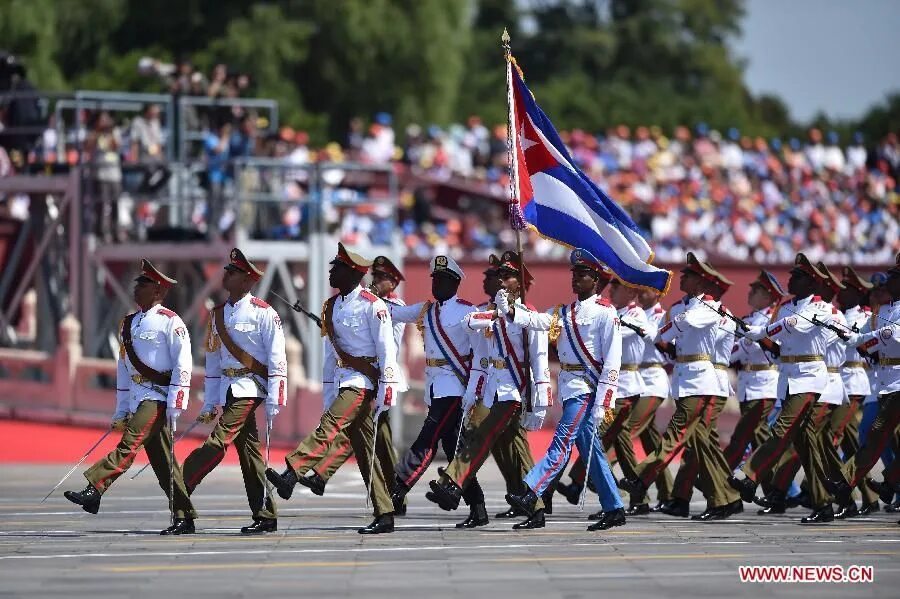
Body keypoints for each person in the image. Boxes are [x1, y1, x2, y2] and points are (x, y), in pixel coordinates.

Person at [266, 243, 399, 534]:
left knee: (329, 426)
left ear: (353, 273)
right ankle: (385, 512)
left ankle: (292, 472)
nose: (331, 272)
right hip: (343, 381)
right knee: (365, 450)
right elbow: (331, 356)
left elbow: (386, 349)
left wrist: (388, 388)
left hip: (363, 384)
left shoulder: (372, 305)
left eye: (336, 268)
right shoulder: (332, 306)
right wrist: (329, 393)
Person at [64, 260, 195, 535]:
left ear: (158, 291)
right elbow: (124, 369)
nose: (137, 288)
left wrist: (177, 402)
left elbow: (183, 363)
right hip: (137, 397)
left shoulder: (171, 322)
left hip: (158, 398)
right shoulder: (128, 323)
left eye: (144, 284)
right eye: (137, 283)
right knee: (163, 463)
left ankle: (95, 488)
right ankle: (184, 516)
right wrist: (121, 409)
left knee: (129, 444)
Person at [503, 249, 627, 531]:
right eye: (574, 274)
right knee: (591, 451)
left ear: (595, 280)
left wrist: (603, 402)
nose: (575, 279)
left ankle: (530, 488)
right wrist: (512, 310)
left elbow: (612, 360)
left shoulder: (606, 313)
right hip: (569, 387)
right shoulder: (563, 312)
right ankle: (614, 507)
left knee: (562, 441)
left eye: (582, 275)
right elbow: (538, 321)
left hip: (587, 388)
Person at [425, 251, 550, 529]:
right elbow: (480, 354)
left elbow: (539, 363)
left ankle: (453, 484)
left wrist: (540, 403)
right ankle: (535, 504)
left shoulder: (530, 318)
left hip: (513, 392)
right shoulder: (490, 315)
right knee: (508, 446)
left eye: (507, 276)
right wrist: (472, 391)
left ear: (521, 283)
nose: (501, 281)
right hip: (492, 389)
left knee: (481, 436)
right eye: (499, 276)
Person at [619, 252, 742, 521]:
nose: (682, 278)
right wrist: (652, 333)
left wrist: (657, 333)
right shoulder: (679, 308)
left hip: (702, 379)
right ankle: (724, 498)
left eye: (688, 275)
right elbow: (670, 340)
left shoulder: (709, 308)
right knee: (700, 441)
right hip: (685, 378)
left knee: (677, 434)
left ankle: (640, 477)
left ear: (700, 283)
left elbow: (673, 330)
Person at [182, 248, 287, 534]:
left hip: (251, 387)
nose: (226, 275)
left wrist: (276, 396)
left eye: (233, 272)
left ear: (247, 280)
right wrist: (210, 402)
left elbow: (277, 357)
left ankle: (179, 485)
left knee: (217, 442)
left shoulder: (264, 313)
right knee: (249, 452)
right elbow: (213, 362)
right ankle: (265, 514)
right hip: (229, 388)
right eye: (227, 271)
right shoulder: (218, 314)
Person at [728, 253, 838, 523]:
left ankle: (749, 476)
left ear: (811, 284)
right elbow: (778, 351)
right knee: (806, 443)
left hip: (810, 376)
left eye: (798, 277)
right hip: (788, 377)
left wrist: (760, 333)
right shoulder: (787, 307)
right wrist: (759, 338)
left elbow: (794, 327)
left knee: (782, 428)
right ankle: (823, 504)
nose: (792, 279)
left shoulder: (819, 308)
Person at [298, 256, 408, 519]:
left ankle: (390, 493)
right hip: (361, 377)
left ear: (393, 281)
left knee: (365, 437)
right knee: (374, 440)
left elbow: (385, 346)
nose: (375, 282)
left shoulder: (392, 306)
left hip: (379, 379)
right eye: (374, 276)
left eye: (381, 278)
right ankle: (393, 496)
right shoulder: (362, 302)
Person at [387, 255, 490, 528]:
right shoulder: (426, 311)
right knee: (452, 446)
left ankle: (398, 488)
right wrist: (369, 300)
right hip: (436, 386)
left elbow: (482, 348)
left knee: (428, 439)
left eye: (443, 280)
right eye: (435, 279)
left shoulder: (467, 311)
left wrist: (474, 387)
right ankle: (478, 507)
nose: (437, 284)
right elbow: (394, 312)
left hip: (454, 387)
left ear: (455, 283)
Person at [827, 254, 900, 512]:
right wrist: (852, 338)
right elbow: (869, 340)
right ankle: (878, 483)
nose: (890, 282)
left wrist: (862, 339)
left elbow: (891, 336)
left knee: (876, 433)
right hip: (887, 383)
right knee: (874, 436)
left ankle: (855, 482)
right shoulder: (886, 311)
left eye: (895, 278)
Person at [726, 271, 784, 514]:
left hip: (765, 383)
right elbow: (735, 352)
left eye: (756, 291)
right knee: (758, 439)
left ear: (769, 296)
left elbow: (775, 350)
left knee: (748, 437)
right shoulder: (748, 319)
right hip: (748, 385)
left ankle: (737, 486)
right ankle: (773, 493)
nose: (750, 294)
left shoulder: (773, 320)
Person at [597, 277, 649, 517]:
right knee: (622, 443)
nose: (611, 290)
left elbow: (617, 335)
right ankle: (639, 496)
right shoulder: (614, 312)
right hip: (613, 384)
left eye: (616, 287)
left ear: (630, 291)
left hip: (626, 386)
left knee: (599, 436)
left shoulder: (637, 314)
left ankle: (611, 499)